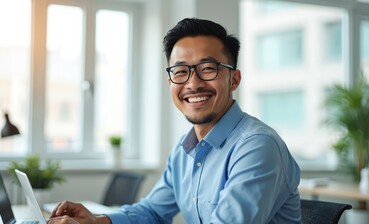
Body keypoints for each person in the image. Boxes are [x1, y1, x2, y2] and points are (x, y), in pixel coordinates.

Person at [48, 18, 301, 224]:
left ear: (234, 79)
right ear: (170, 82)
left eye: (208, 68)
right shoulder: (185, 149)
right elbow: (153, 212)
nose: (192, 83)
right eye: (180, 71)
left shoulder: (257, 146)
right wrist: (96, 222)